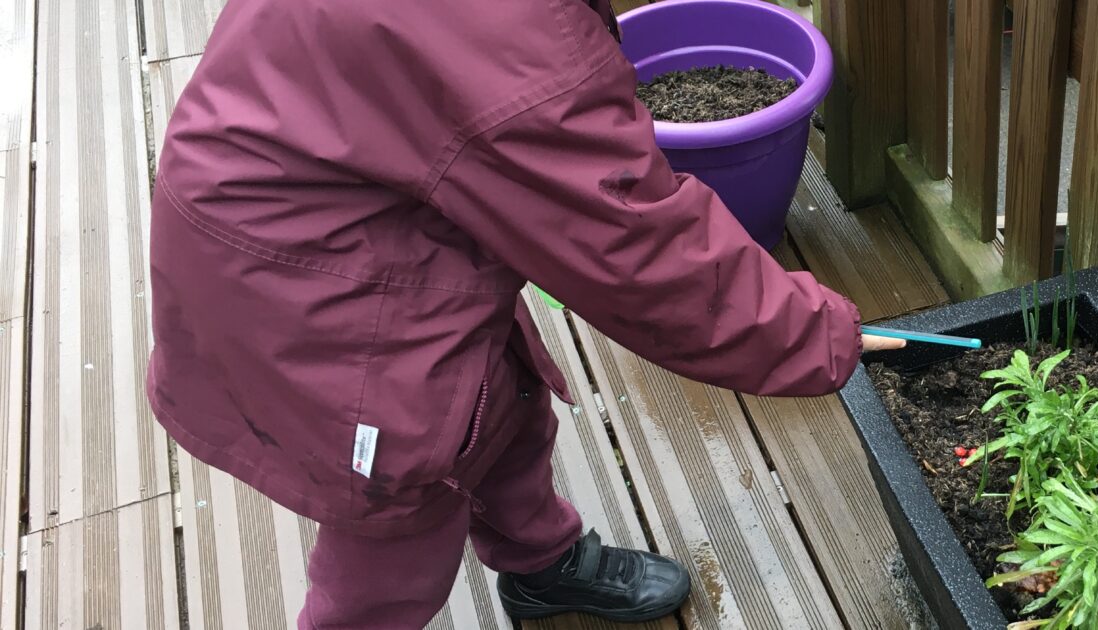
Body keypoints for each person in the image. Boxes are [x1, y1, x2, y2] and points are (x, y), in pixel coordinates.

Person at [145, 0, 903, 627]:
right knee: (400, 523)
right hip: (296, 290)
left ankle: (541, 566)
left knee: (497, 401)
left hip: (349, 210)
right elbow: (638, 249)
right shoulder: (508, 45)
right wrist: (818, 331)